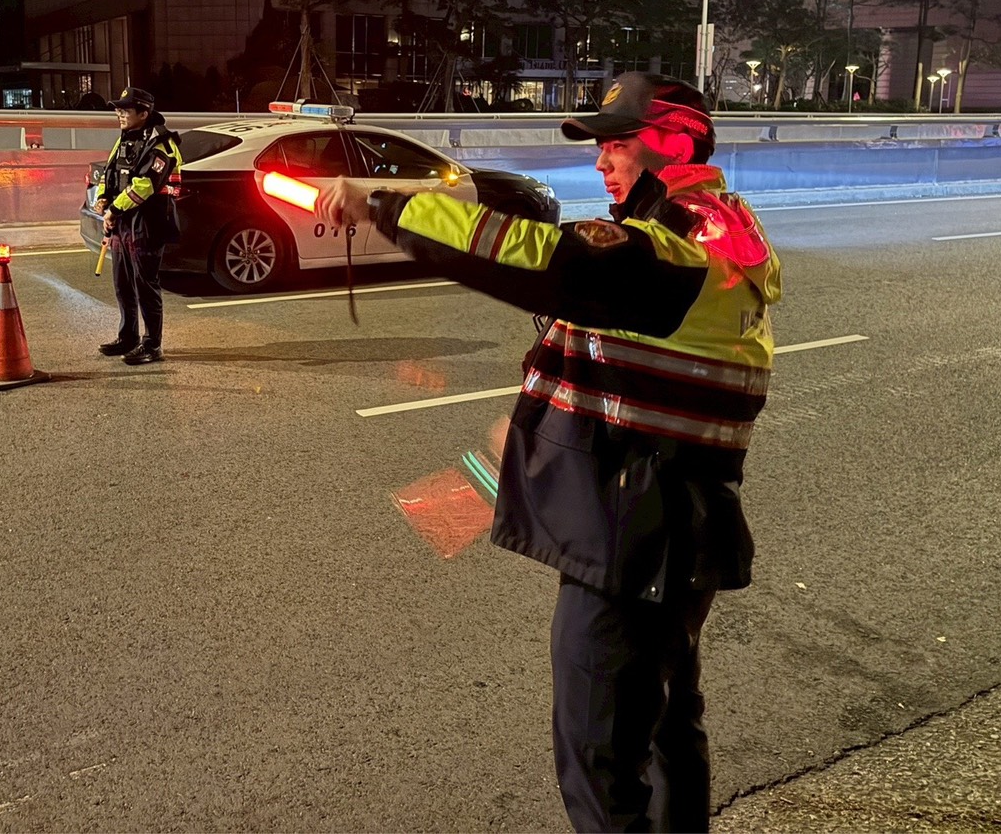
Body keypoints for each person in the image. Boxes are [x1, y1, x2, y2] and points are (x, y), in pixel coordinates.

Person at [315, 72, 782, 833]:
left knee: (602, 767)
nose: (601, 160)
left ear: (672, 144)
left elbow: (550, 260)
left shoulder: (686, 239)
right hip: (663, 523)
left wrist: (386, 204)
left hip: (637, 538)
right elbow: (619, 344)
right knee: (666, 730)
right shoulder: (699, 228)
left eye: (617, 143)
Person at [93, 87, 183, 365]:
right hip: (124, 222)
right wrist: (102, 198)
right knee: (123, 284)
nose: (119, 114)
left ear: (143, 113)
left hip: (148, 223)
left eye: (125, 110)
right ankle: (128, 337)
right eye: (118, 109)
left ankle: (152, 345)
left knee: (145, 285)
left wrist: (114, 209)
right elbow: (109, 172)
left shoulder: (162, 144)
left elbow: (144, 185)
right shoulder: (126, 138)